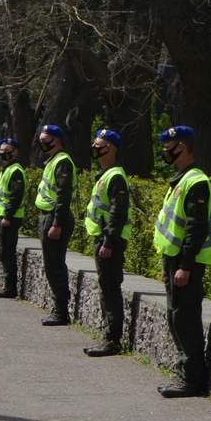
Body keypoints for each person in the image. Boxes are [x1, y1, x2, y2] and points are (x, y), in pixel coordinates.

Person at [153, 125, 211, 398]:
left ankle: (192, 380)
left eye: (169, 148)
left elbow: (196, 228)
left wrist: (185, 266)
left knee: (185, 319)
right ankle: (186, 374)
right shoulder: (182, 180)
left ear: (183, 147)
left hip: (186, 261)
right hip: (174, 258)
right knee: (176, 317)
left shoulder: (195, 181)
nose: (165, 152)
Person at [82, 128, 131, 357]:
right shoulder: (106, 174)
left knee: (110, 289)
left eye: (98, 144)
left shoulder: (115, 177)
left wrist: (109, 242)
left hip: (110, 242)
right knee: (106, 289)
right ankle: (108, 337)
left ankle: (112, 341)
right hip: (103, 239)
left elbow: (117, 213)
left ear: (110, 148)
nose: (94, 147)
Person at [33, 124, 77, 326]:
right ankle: (58, 309)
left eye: (45, 140)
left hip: (55, 218)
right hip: (49, 217)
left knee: (55, 265)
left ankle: (61, 312)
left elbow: (63, 195)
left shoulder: (62, 161)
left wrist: (57, 224)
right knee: (51, 265)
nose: (42, 144)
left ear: (57, 140)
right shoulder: (52, 161)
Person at [0, 138, 28, 300]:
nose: (4, 154)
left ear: (15, 152)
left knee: (7, 252)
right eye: (2, 151)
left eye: (7, 151)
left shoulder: (15, 170)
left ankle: (10, 288)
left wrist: (7, 216)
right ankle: (7, 286)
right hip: (4, 217)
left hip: (10, 218)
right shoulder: (7, 169)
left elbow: (15, 196)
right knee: (4, 251)